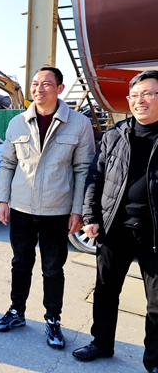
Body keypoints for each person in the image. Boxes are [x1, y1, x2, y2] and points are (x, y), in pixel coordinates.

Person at [0, 67, 95, 349]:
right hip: (22, 209)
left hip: (57, 211)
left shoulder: (79, 124)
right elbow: (8, 164)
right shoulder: (17, 123)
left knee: (52, 269)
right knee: (20, 263)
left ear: (60, 89)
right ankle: (16, 311)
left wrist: (78, 211)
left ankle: (53, 320)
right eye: (35, 83)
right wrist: (3, 200)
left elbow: (83, 169)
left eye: (46, 84)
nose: (39, 89)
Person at [72, 70, 158, 372]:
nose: (139, 100)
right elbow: (95, 177)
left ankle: (154, 360)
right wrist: (91, 216)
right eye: (134, 95)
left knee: (156, 303)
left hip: (154, 233)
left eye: (147, 94)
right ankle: (101, 343)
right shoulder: (115, 135)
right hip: (115, 228)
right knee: (106, 291)